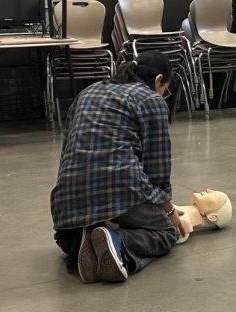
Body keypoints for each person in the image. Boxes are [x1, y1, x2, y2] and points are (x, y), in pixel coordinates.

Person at [50, 51, 184, 283]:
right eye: (166, 89)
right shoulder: (150, 100)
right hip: (121, 188)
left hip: (67, 198)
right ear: (159, 80)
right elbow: (157, 169)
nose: (164, 94)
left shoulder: (87, 92)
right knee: (164, 234)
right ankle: (118, 245)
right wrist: (170, 212)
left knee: (65, 237)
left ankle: (83, 238)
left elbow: (67, 150)